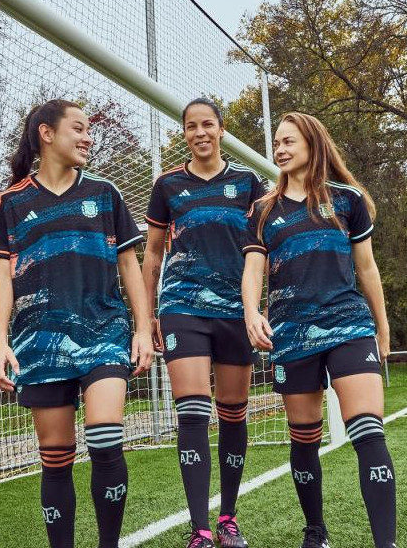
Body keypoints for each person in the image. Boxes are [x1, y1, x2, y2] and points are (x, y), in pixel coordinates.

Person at [0, 99, 154, 548]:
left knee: (104, 437)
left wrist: (141, 328)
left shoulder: (104, 193)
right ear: (46, 133)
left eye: (89, 130)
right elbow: (2, 276)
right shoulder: (13, 202)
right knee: (56, 457)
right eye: (78, 128)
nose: (87, 138)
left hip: (104, 332)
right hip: (39, 344)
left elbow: (130, 265)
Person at [240, 112, 396, 548]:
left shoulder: (347, 200)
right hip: (291, 336)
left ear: (312, 143)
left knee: (367, 431)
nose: (280, 148)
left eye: (289, 140)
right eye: (277, 142)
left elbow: (367, 268)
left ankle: (387, 543)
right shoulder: (262, 211)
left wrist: (381, 328)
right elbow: (253, 270)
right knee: (304, 438)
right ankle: (316, 533)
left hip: (349, 326)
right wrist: (252, 312)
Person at [142, 98, 264, 548]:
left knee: (233, 414)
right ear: (185, 133)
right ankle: (200, 529)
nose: (199, 133)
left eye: (207, 125)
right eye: (191, 126)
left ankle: (229, 517)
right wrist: (149, 313)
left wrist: (260, 304)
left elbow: (264, 247)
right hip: (183, 307)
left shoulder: (249, 183)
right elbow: (153, 252)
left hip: (235, 311)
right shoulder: (168, 185)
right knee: (192, 413)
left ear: (221, 130)